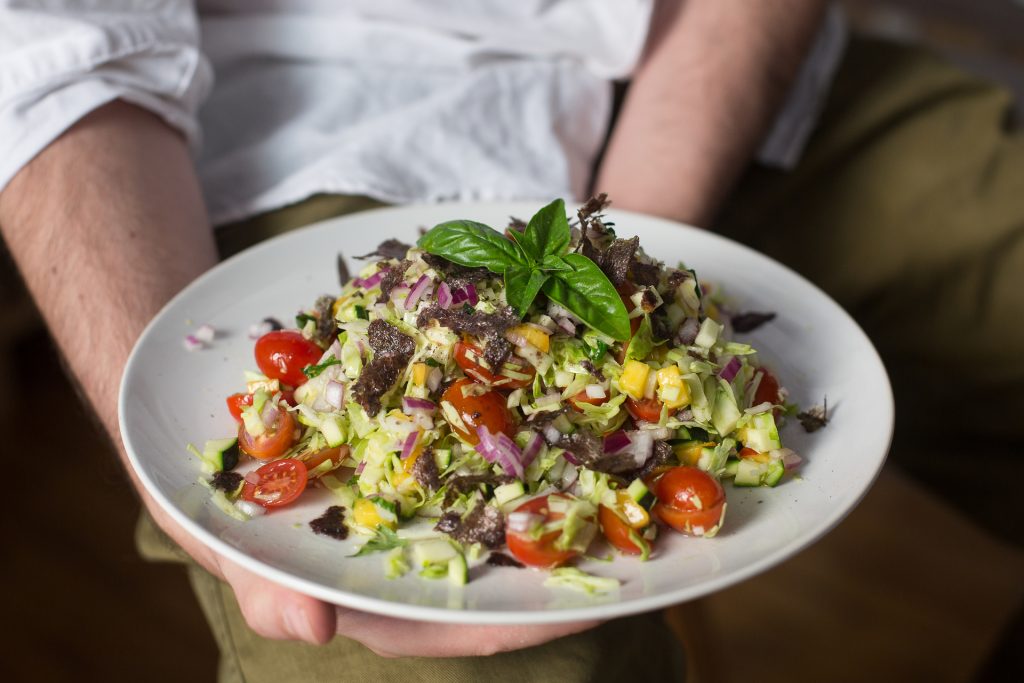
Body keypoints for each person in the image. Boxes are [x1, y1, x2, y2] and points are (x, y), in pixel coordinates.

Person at [2, 0, 1022, 680]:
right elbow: (50, 53)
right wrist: (164, 437)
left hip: (710, 76)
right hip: (304, 128)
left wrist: (618, 284)